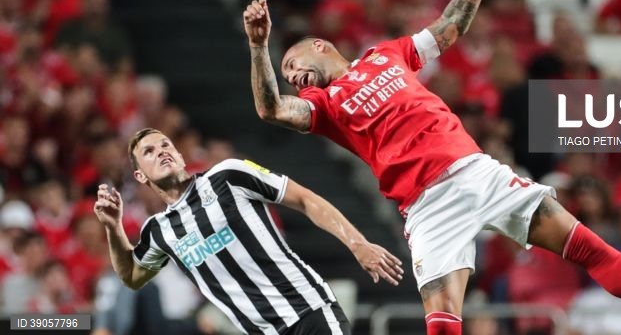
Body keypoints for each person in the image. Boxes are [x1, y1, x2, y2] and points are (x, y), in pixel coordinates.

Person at [243, 0, 621, 335]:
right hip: (424, 205)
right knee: (443, 317)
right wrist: (260, 47)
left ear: (322, 48)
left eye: (292, 64)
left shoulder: (386, 55)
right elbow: (270, 109)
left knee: (584, 243)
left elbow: (451, 25)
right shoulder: (324, 107)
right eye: (287, 75)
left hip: (475, 171)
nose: (292, 76)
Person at [94, 128, 403, 335]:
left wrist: (357, 242)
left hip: (308, 314)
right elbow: (132, 277)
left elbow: (305, 199)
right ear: (139, 175)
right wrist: (113, 227)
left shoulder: (228, 175)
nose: (162, 151)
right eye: (149, 151)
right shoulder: (158, 231)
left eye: (166, 145)